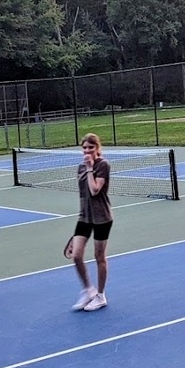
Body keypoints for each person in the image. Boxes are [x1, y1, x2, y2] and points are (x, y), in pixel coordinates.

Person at [70, 133, 112, 312]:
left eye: (90, 147)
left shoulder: (103, 165)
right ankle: (88, 289)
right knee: (76, 255)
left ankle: (101, 295)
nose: (87, 151)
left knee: (99, 257)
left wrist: (89, 168)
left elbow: (95, 190)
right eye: (84, 148)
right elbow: (83, 195)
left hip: (102, 217)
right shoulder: (80, 167)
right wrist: (81, 214)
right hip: (85, 217)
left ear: (97, 148)